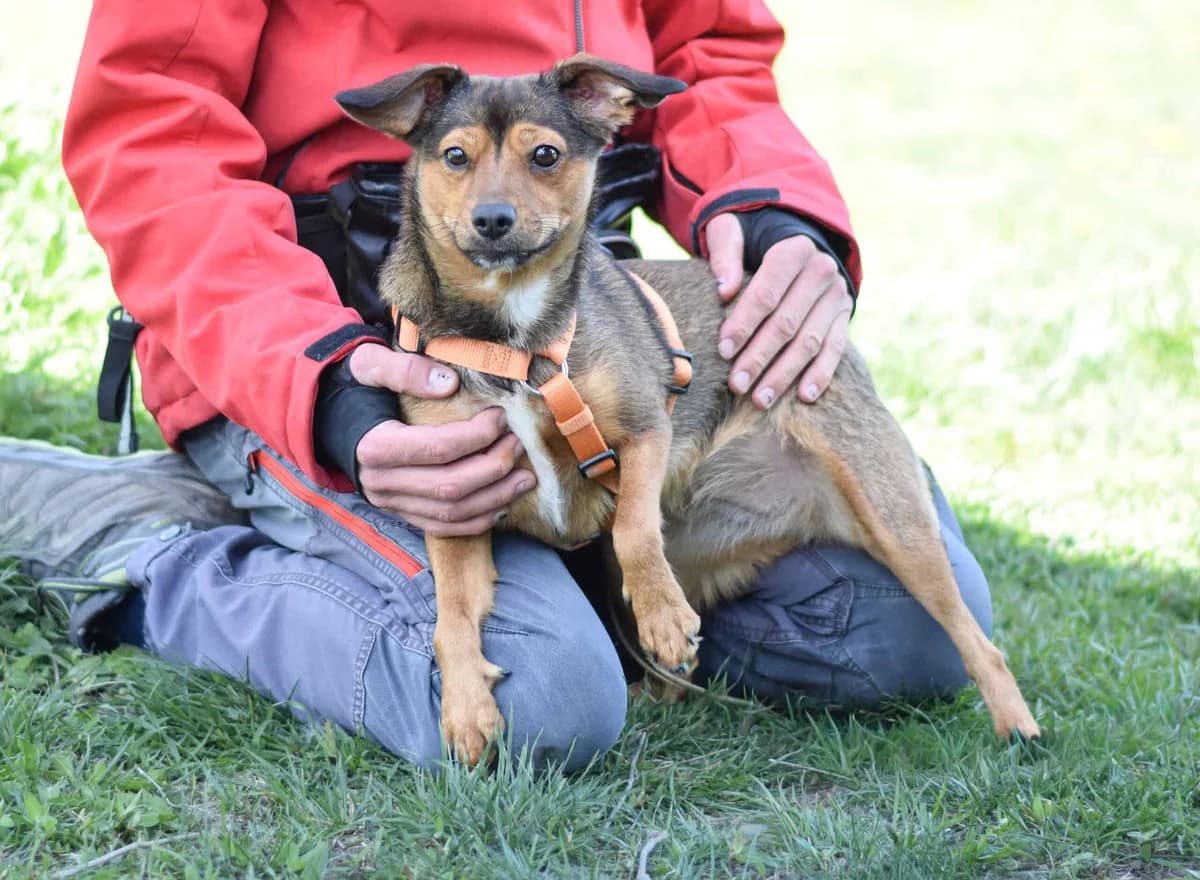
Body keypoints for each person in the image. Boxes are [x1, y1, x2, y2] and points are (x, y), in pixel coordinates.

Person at [0, 0, 991, 771]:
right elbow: (152, 132)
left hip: (576, 322)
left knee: (907, 635)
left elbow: (706, 52)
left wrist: (773, 210)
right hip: (314, 341)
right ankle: (147, 543)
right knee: (541, 702)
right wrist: (327, 392)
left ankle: (574, 576)